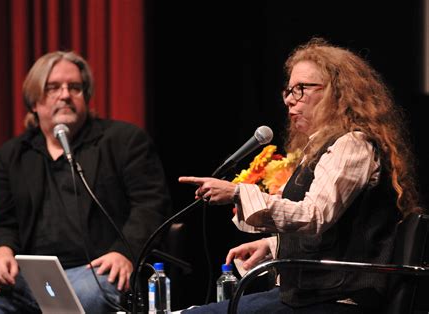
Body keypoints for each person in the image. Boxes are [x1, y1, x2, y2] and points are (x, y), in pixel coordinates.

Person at [179, 37, 421, 313]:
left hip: (340, 299)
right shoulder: (319, 149)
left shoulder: (352, 145)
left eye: (302, 89)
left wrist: (237, 192)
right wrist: (274, 246)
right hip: (309, 294)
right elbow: (332, 233)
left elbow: (314, 215)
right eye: (289, 90)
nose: (291, 100)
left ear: (338, 92)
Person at [0, 51, 171, 313]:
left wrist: (124, 254)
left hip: (96, 271)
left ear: (86, 96)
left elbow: (150, 206)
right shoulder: (11, 155)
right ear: (34, 102)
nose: (66, 94)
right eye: (53, 88)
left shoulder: (124, 141)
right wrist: (1, 254)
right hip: (31, 279)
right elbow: (3, 223)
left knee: (87, 294)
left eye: (75, 87)